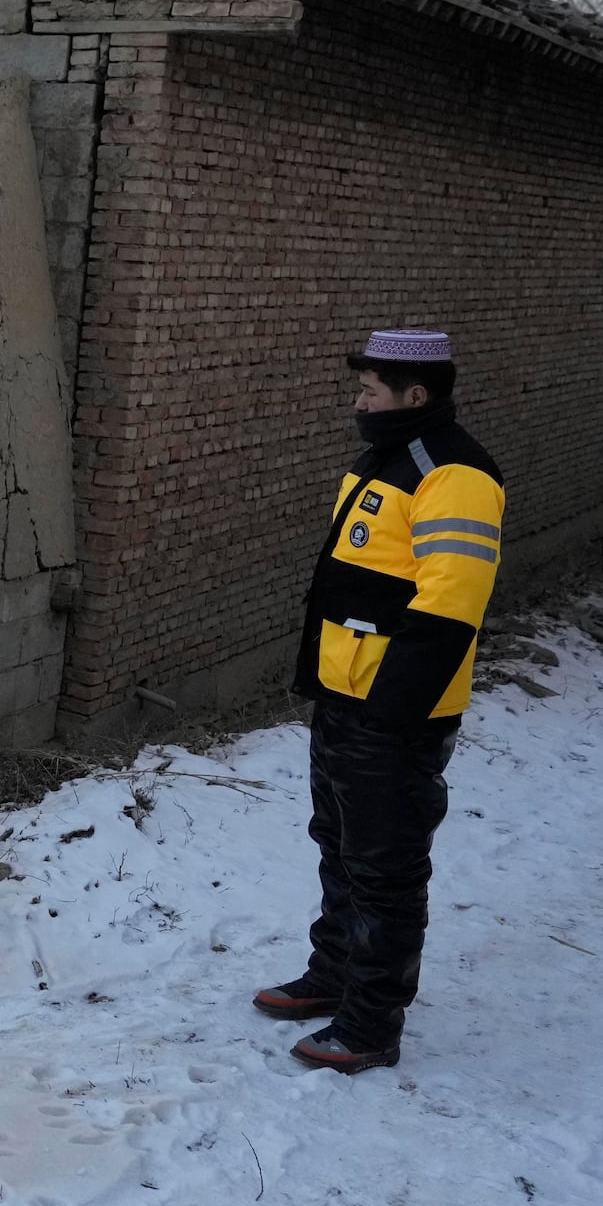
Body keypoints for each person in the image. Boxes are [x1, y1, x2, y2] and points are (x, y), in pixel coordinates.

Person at [259, 329, 505, 1072]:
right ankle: (332, 972)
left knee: (386, 867)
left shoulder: (454, 474)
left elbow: (449, 608)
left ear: (415, 394)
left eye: (369, 391)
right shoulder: (385, 460)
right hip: (344, 697)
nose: (357, 401)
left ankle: (370, 1021)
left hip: (392, 714)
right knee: (338, 846)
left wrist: (390, 714)